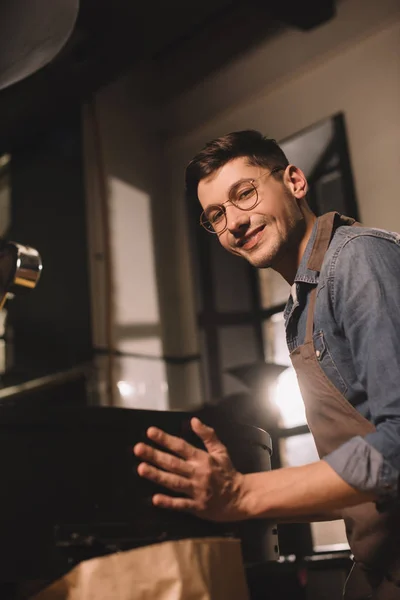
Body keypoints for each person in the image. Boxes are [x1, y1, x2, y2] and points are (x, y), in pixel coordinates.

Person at [133, 130, 400, 599]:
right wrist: (224, 501)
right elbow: (358, 484)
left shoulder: (358, 258)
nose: (234, 222)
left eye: (245, 193)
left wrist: (243, 495)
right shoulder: (299, 309)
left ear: (295, 182)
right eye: (216, 215)